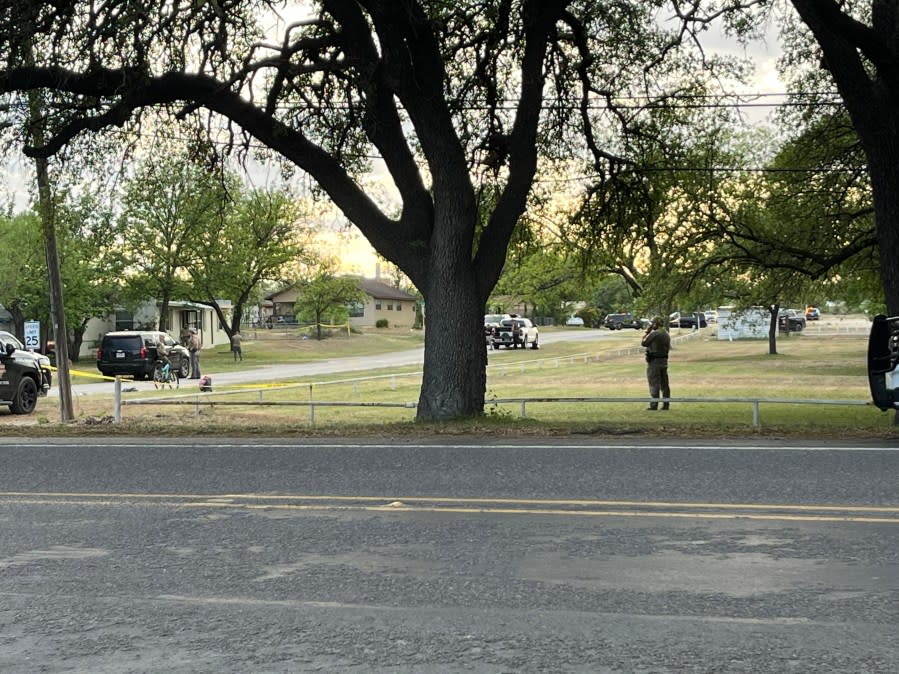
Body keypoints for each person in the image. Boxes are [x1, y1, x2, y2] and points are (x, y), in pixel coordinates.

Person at [641, 316, 671, 410]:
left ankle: (654, 405)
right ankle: (666, 404)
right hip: (664, 361)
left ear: (655, 324)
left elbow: (644, 343)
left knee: (654, 383)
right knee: (664, 384)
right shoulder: (666, 333)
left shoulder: (655, 334)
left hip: (654, 362)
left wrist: (647, 332)